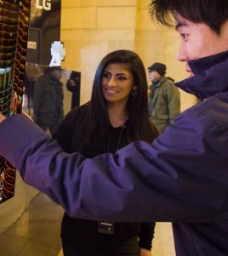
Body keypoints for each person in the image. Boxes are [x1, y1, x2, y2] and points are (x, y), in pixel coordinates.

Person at [0, 0, 228, 255]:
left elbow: (87, 186)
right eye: (107, 76)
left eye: (185, 34)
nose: (180, 54)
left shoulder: (219, 130)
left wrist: (5, 128)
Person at [53, 50, 158, 256]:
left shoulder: (146, 131)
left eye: (121, 78)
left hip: (125, 237)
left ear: (135, 84)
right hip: (79, 233)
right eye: (106, 75)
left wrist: (146, 243)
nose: (111, 84)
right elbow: (53, 164)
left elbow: (149, 192)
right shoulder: (78, 119)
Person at [147, 62, 181, 133]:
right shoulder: (152, 87)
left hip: (163, 127)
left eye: (151, 71)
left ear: (158, 72)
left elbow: (173, 105)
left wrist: (173, 125)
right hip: (152, 126)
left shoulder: (169, 85)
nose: (149, 74)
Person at [32, 66, 64, 134]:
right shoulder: (42, 81)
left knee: (57, 138)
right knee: (39, 136)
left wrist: (61, 116)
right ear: (52, 71)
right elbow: (37, 98)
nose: (60, 73)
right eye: (59, 71)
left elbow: (60, 102)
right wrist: (35, 114)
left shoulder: (58, 84)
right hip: (43, 117)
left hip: (55, 118)